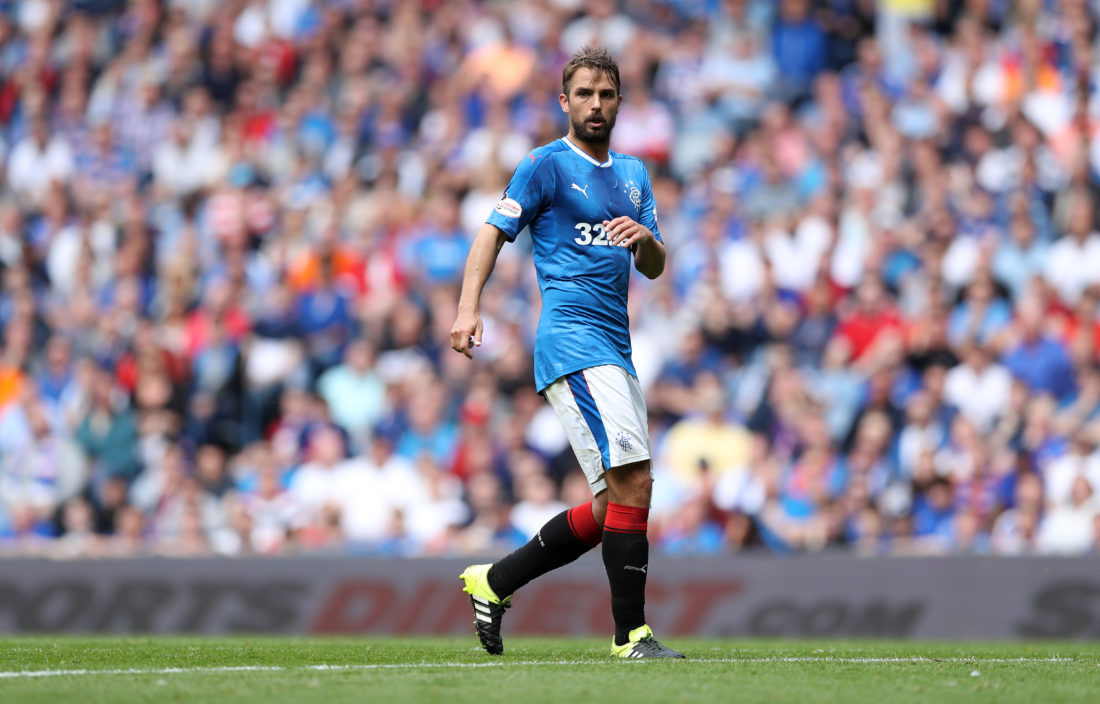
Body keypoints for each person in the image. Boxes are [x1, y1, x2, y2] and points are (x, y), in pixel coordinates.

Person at [449, 46, 683, 659]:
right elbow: (491, 233)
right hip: (573, 342)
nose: (596, 105)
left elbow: (655, 268)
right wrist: (468, 308)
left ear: (620, 102)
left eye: (606, 95)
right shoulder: (544, 165)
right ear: (565, 102)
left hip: (616, 346)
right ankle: (630, 635)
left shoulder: (634, 174)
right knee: (634, 479)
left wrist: (645, 239)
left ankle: (494, 582)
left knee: (616, 501)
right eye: (584, 94)